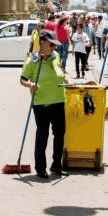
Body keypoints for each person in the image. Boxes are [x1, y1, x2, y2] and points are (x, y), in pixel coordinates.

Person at [19, 30, 67, 179]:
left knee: (59, 135)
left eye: (55, 45)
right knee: (43, 135)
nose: (53, 48)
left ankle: (56, 166)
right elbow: (22, 79)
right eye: (51, 44)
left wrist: (64, 77)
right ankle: (40, 168)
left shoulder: (55, 56)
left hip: (59, 100)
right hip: (41, 103)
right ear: (42, 42)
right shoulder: (32, 61)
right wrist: (30, 84)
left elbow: (60, 70)